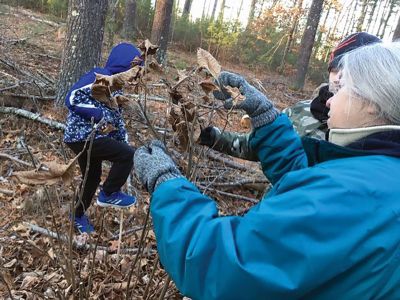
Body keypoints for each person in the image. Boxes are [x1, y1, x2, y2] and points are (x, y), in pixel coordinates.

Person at [133, 41, 400, 299]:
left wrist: (165, 184)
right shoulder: (380, 176)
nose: (330, 100)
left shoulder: (355, 195)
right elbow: (311, 189)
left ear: (372, 103)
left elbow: (224, 266)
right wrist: (268, 122)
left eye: (342, 90)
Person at [198, 32, 382, 161]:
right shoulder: (303, 110)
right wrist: (212, 136)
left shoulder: (377, 141)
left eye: (352, 72)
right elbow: (262, 147)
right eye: (336, 68)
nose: (340, 78)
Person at [64, 43, 140, 234]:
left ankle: (77, 215)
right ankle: (109, 193)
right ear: (124, 67)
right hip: (82, 135)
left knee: (91, 177)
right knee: (128, 155)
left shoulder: (116, 91)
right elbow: (71, 98)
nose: (134, 77)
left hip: (89, 137)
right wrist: (98, 113)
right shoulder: (99, 75)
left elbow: (116, 121)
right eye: (133, 71)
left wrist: (121, 141)